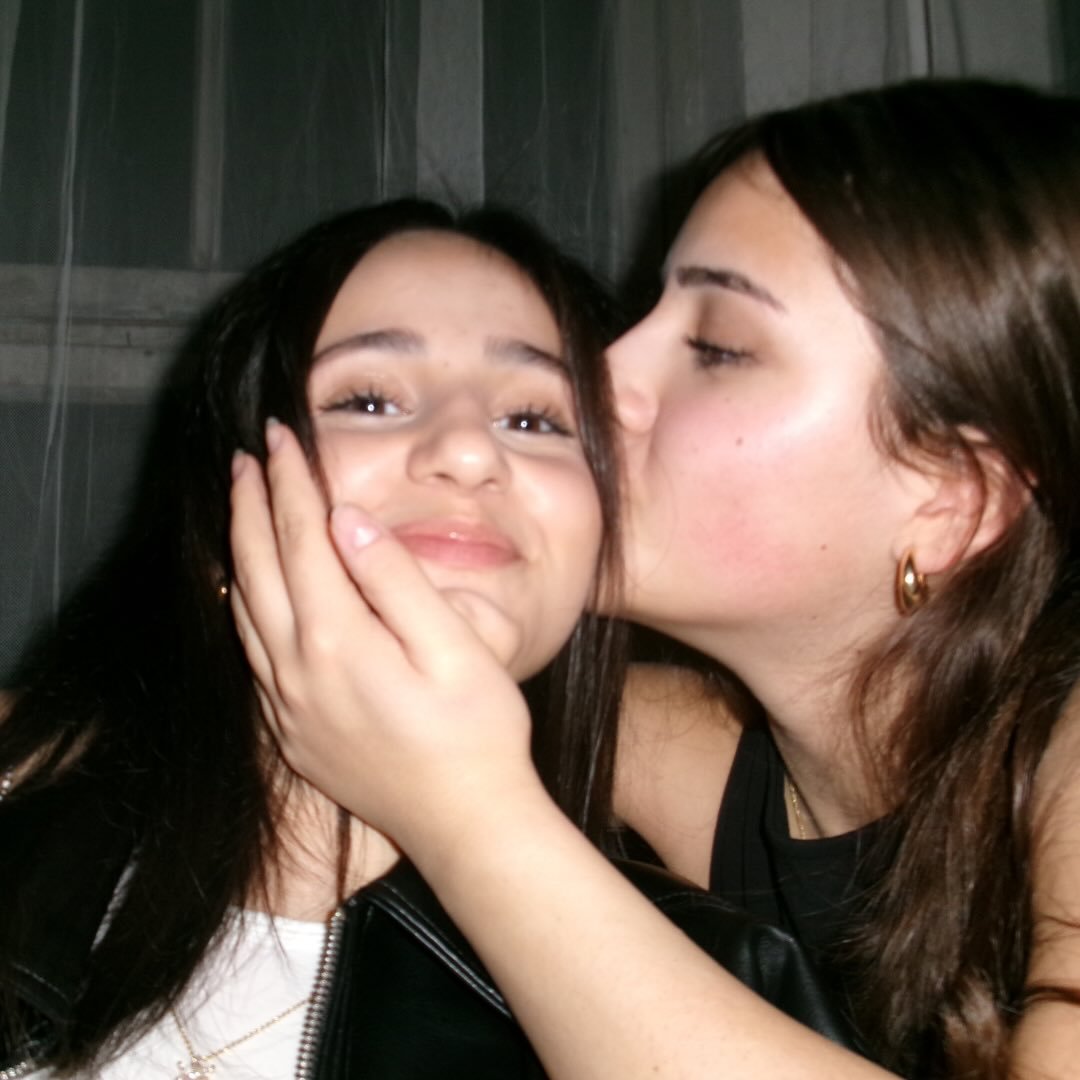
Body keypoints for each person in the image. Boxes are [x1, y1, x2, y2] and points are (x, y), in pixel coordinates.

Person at [229, 78, 1080, 1079]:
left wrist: (466, 814)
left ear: (950, 502)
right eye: (646, 313)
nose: (595, 377)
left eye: (717, 349)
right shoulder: (676, 747)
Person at [0, 199, 848, 1079]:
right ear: (223, 515)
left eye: (536, 419)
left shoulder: (730, 991)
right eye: (369, 400)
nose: (469, 452)